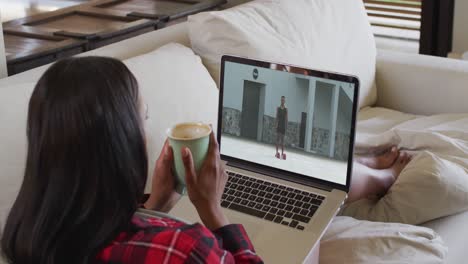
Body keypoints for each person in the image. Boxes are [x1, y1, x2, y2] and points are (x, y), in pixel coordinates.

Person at [0, 57, 263, 264]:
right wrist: (212, 209)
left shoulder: (24, 236)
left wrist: (154, 206)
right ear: (122, 141)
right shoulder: (184, 249)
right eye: (143, 118)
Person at [275, 96, 288, 160]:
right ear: (280, 101)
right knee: (277, 140)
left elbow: (286, 119)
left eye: (283, 100)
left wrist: (286, 126)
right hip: (279, 126)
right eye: (282, 100)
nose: (282, 101)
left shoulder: (286, 109)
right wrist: (276, 125)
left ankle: (282, 153)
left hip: (283, 127)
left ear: (284, 101)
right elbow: (277, 117)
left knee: (282, 141)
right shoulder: (278, 108)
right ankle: (277, 152)